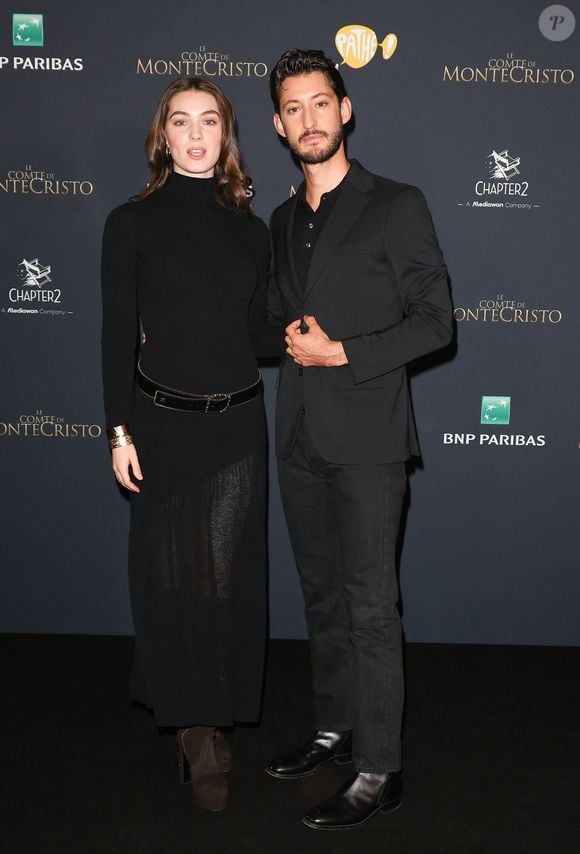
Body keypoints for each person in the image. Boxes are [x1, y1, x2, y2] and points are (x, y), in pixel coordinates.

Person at [264, 49, 453, 830]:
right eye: (293, 109)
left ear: (346, 110)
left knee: (371, 605)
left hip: (370, 437)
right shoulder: (278, 219)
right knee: (322, 592)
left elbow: (436, 322)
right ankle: (335, 728)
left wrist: (342, 351)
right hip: (300, 433)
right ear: (279, 126)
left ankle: (381, 767)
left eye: (321, 103)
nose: (309, 119)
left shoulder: (396, 203)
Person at [101, 76, 272, 813]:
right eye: (182, 121)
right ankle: (197, 733)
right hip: (161, 426)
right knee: (174, 582)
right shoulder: (129, 222)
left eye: (210, 121)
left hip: (236, 426)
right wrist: (118, 430)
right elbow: (115, 333)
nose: (196, 134)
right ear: (162, 135)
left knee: (225, 583)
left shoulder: (252, 229)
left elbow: (262, 335)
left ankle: (212, 711)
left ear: (226, 136)